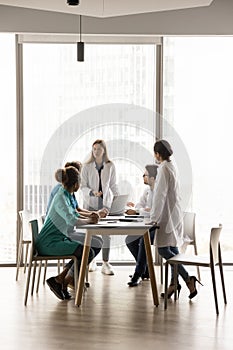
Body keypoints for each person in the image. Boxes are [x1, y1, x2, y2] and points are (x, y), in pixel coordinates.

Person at [36, 166, 103, 301]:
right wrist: (90, 220)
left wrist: (90, 218)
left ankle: (61, 280)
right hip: (49, 242)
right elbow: (71, 220)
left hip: (59, 238)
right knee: (86, 252)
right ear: (76, 184)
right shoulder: (61, 197)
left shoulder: (65, 194)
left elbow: (74, 214)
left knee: (90, 247)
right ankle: (64, 282)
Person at [150, 140, 201, 299]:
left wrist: (154, 218)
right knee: (173, 248)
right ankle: (175, 282)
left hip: (166, 216)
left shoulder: (164, 168)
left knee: (163, 249)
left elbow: (160, 196)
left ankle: (186, 278)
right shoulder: (172, 166)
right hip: (174, 213)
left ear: (158, 154)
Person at [81, 139, 119, 275]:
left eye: (99, 149)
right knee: (91, 234)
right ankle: (91, 260)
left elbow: (113, 185)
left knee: (106, 233)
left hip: (104, 205)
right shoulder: (86, 166)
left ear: (104, 150)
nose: (96, 151)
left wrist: (118, 198)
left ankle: (105, 262)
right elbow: (82, 186)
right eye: (94, 149)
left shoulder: (110, 166)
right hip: (90, 204)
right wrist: (93, 193)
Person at [126, 164, 158, 287]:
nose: (143, 177)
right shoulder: (147, 191)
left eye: (145, 175)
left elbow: (155, 212)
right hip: (147, 225)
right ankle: (146, 271)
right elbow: (139, 206)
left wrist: (142, 211)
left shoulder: (159, 192)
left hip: (157, 228)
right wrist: (144, 210)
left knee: (144, 240)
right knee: (129, 239)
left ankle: (138, 273)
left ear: (153, 178)